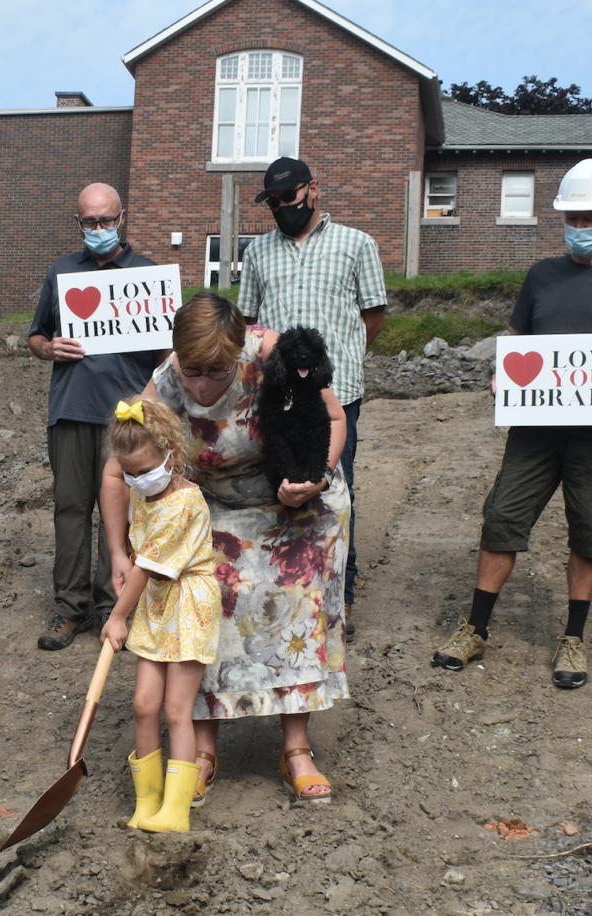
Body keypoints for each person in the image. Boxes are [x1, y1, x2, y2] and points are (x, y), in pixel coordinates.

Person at [101, 292, 349, 806]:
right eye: (192, 371)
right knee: (202, 600)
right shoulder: (167, 379)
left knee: (296, 595)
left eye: (216, 372)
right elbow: (115, 472)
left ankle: (296, 748)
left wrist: (315, 477)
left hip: (292, 495)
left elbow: (334, 419)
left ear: (238, 355)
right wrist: (119, 555)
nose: (201, 385)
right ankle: (203, 751)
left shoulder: (273, 355)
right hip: (211, 502)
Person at [431, 158, 592, 689]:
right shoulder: (541, 276)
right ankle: (476, 627)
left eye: (589, 219)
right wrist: (504, 375)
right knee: (502, 518)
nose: (579, 228)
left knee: (588, 530)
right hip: (534, 431)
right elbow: (517, 342)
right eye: (572, 218)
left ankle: (574, 638)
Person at [238, 157, 386, 638]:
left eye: (288, 198)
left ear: (312, 190)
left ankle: (341, 594)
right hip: (278, 395)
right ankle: (281, 586)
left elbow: (373, 317)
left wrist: (338, 361)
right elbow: (247, 323)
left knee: (335, 487)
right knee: (277, 482)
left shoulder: (358, 245)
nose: (282, 207)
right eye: (273, 202)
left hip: (336, 394)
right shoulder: (258, 253)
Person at [28, 182, 165, 651]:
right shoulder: (61, 273)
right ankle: (70, 609)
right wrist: (50, 347)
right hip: (70, 411)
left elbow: (170, 354)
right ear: (78, 222)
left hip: (128, 419)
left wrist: (156, 410)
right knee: (70, 508)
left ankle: (113, 607)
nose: (100, 229)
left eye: (107, 220)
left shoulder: (148, 275)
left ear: (122, 217)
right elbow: (34, 338)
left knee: (123, 513)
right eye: (90, 221)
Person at [101, 397, 221, 833]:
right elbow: (138, 562)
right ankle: (147, 801)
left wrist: (117, 617)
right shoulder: (144, 495)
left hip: (188, 605)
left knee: (175, 709)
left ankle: (176, 808)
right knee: (142, 704)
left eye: (145, 470)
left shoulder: (185, 503)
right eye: (128, 473)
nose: (136, 480)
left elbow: (147, 565)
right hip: (156, 604)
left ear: (172, 455)